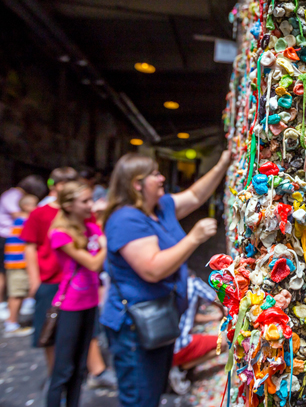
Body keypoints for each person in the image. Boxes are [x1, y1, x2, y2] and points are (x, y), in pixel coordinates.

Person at [101, 149, 232, 407]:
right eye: (154, 174)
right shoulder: (126, 219)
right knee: (140, 396)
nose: (161, 178)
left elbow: (195, 196)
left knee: (153, 390)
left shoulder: (159, 208)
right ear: (137, 185)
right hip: (135, 326)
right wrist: (193, 238)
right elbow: (152, 269)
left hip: (160, 317)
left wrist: (223, 164)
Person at [46, 181, 106, 407]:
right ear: (69, 205)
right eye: (85, 201)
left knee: (80, 367)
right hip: (71, 304)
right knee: (63, 369)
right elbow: (92, 264)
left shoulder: (90, 228)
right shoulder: (60, 234)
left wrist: (100, 224)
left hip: (90, 302)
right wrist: (105, 245)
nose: (90, 205)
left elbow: (98, 239)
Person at [21, 167, 80, 371]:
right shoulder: (40, 213)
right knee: (49, 333)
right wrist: (35, 280)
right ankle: (54, 374)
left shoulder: (79, 210)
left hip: (75, 281)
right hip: (50, 280)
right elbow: (30, 246)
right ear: (55, 187)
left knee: (77, 332)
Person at [0, 175, 48, 320]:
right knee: (7, 275)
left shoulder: (16, 196)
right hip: (7, 239)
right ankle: (5, 307)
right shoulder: (13, 196)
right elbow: (19, 214)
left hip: (13, 240)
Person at [169, 273, 225, 395]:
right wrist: (225, 311)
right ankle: (181, 368)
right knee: (225, 343)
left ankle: (177, 367)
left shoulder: (171, 286)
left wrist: (216, 317)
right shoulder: (193, 282)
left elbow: (191, 317)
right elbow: (218, 299)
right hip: (181, 346)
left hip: (166, 347)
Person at [3, 194, 38, 337]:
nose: (37, 208)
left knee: (20, 292)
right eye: (34, 204)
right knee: (16, 294)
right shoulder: (24, 222)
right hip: (18, 264)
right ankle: (11, 323)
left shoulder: (19, 221)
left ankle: (13, 321)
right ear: (26, 206)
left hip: (17, 264)